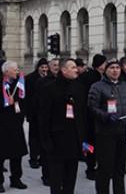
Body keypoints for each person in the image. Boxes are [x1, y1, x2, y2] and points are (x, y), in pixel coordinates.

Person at [89, 59, 126, 194]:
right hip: (105, 132)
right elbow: (92, 107)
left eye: (117, 68)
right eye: (112, 68)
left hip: (122, 131)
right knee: (105, 168)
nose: (115, 70)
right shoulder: (97, 86)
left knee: (120, 168)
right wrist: (106, 116)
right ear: (106, 70)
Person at [40, 59, 87, 194]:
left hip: (74, 140)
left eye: (76, 67)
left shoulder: (79, 88)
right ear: (63, 70)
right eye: (72, 67)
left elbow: (83, 115)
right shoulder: (49, 89)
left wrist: (83, 139)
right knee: (56, 178)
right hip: (57, 141)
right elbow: (43, 117)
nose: (76, 70)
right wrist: (46, 141)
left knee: (71, 177)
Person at [0, 60, 28, 192]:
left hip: (15, 123)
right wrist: (4, 102)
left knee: (17, 154)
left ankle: (16, 178)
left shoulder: (19, 84)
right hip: (0, 125)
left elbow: (23, 101)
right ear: (7, 71)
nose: (17, 71)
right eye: (15, 69)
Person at [79, 54, 106, 181]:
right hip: (90, 115)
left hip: (99, 115)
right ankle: (90, 167)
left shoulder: (103, 77)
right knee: (91, 143)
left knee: (99, 143)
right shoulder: (89, 77)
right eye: (104, 63)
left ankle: (97, 166)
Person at [26, 58, 50, 169]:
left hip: (45, 113)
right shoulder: (30, 78)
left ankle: (42, 156)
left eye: (46, 67)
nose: (44, 70)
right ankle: (33, 157)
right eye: (42, 67)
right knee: (34, 136)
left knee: (43, 135)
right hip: (34, 112)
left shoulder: (50, 78)